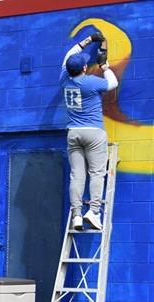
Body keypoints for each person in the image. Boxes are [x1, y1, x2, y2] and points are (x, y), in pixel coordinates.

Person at [61, 31, 118, 231]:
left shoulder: (64, 78)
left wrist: (87, 41)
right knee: (96, 173)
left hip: (73, 133)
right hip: (93, 132)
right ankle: (93, 212)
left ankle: (76, 215)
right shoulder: (91, 82)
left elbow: (69, 56)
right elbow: (113, 83)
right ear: (85, 68)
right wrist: (105, 66)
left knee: (77, 175)